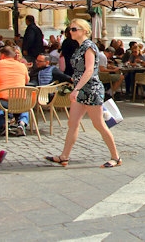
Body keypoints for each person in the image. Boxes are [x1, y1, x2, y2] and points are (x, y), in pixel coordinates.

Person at [45, 18, 121, 168]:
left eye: (74, 29)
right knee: (72, 123)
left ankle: (116, 157)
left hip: (90, 89)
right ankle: (64, 156)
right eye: (70, 29)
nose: (71, 32)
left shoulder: (88, 46)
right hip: (81, 89)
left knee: (99, 124)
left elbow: (89, 70)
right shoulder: (79, 47)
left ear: (84, 31)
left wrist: (76, 88)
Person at [0, 46, 30, 135]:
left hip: (3, 101)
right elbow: (27, 81)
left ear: (2, 55)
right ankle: (22, 123)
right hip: (20, 100)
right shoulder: (22, 65)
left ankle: (3, 124)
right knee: (25, 105)